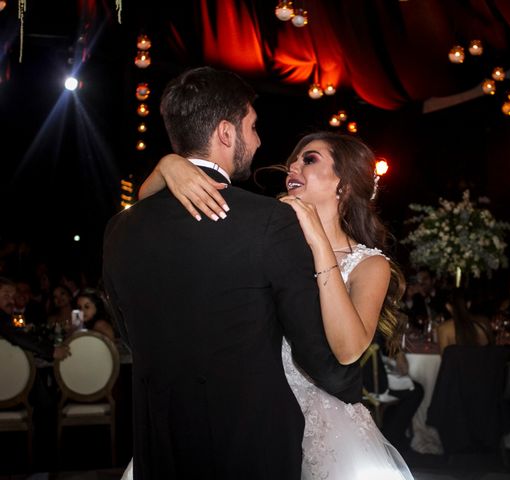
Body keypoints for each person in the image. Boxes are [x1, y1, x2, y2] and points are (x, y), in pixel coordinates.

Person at [103, 67, 361, 480]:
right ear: (226, 133)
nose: (258, 140)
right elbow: (313, 349)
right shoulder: (270, 222)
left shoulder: (119, 229)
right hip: (249, 448)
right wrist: (352, 390)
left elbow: (126, 332)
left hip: (160, 446)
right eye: (253, 126)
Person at [135, 130, 415, 478]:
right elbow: (143, 213)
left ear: (343, 184)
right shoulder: (269, 235)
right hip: (246, 407)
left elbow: (347, 350)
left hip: (321, 420)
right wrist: (168, 166)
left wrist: (318, 241)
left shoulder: (369, 265)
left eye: (309, 159)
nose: (293, 166)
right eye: (293, 160)